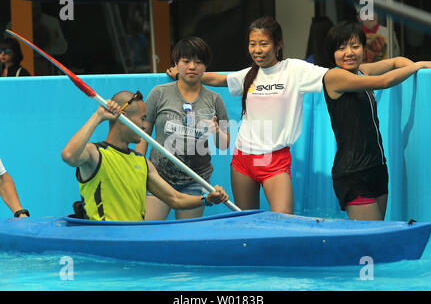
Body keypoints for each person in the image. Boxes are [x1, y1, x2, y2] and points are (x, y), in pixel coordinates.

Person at [167, 17, 328, 214]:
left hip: (273, 159)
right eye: (252, 44)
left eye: (263, 44)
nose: (257, 50)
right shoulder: (249, 74)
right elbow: (218, 79)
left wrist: (364, 72)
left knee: (285, 221)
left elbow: (331, 77)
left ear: (278, 44)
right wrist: (180, 74)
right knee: (246, 221)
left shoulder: (294, 69)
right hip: (243, 159)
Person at [322, 20, 431, 220]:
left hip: (377, 168)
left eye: (355, 46)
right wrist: (419, 65)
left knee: (379, 237)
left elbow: (394, 62)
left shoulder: (362, 71)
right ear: (332, 53)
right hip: (352, 172)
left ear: (363, 49)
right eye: (341, 48)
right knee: (369, 241)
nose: (349, 52)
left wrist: (420, 72)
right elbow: (384, 81)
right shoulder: (334, 77)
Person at [61, 91, 229, 222]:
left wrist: (207, 199)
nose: (144, 125)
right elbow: (68, 155)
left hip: (132, 242)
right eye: (142, 118)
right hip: (103, 241)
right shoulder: (95, 154)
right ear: (124, 118)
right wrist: (98, 117)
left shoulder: (142, 163)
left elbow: (175, 199)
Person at [136, 37, 230, 220]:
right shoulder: (159, 93)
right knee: (148, 232)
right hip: (158, 177)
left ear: (206, 66)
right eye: (186, 61)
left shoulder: (215, 99)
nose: (192, 66)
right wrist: (139, 168)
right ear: (176, 64)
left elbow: (224, 145)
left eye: (199, 62)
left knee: (187, 235)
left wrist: (216, 131)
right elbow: (143, 133)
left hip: (196, 180)